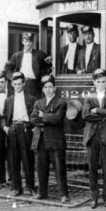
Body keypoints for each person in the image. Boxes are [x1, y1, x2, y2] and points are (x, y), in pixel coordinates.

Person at [82, 69, 106, 208]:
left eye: (103, 82)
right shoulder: (89, 97)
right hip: (92, 136)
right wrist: (104, 116)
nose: (101, 84)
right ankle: (94, 198)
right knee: (92, 168)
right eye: (98, 82)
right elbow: (85, 115)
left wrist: (96, 110)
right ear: (94, 82)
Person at [31, 75, 69, 203]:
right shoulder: (38, 103)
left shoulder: (61, 102)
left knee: (59, 168)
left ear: (55, 88)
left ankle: (64, 194)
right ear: (42, 89)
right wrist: (47, 119)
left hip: (55, 140)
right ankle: (42, 192)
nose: (48, 89)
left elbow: (57, 119)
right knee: (41, 167)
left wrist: (43, 116)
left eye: (50, 87)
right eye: (45, 87)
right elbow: (33, 119)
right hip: (41, 139)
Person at [2, 72, 37, 196]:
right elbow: (4, 116)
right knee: (14, 160)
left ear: (24, 84)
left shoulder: (31, 99)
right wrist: (5, 127)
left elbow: (35, 115)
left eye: (19, 84)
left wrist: (33, 128)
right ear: (12, 84)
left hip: (26, 129)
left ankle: (30, 187)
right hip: (13, 130)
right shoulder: (9, 100)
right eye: (15, 84)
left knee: (28, 159)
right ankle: (17, 187)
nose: (17, 86)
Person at [4, 32, 52, 98]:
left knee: (34, 105)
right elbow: (7, 68)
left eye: (30, 41)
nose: (28, 44)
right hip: (20, 85)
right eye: (26, 41)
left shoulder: (39, 54)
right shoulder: (17, 55)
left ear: (32, 42)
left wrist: (50, 60)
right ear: (22, 42)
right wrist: (13, 76)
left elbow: (48, 66)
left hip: (34, 85)